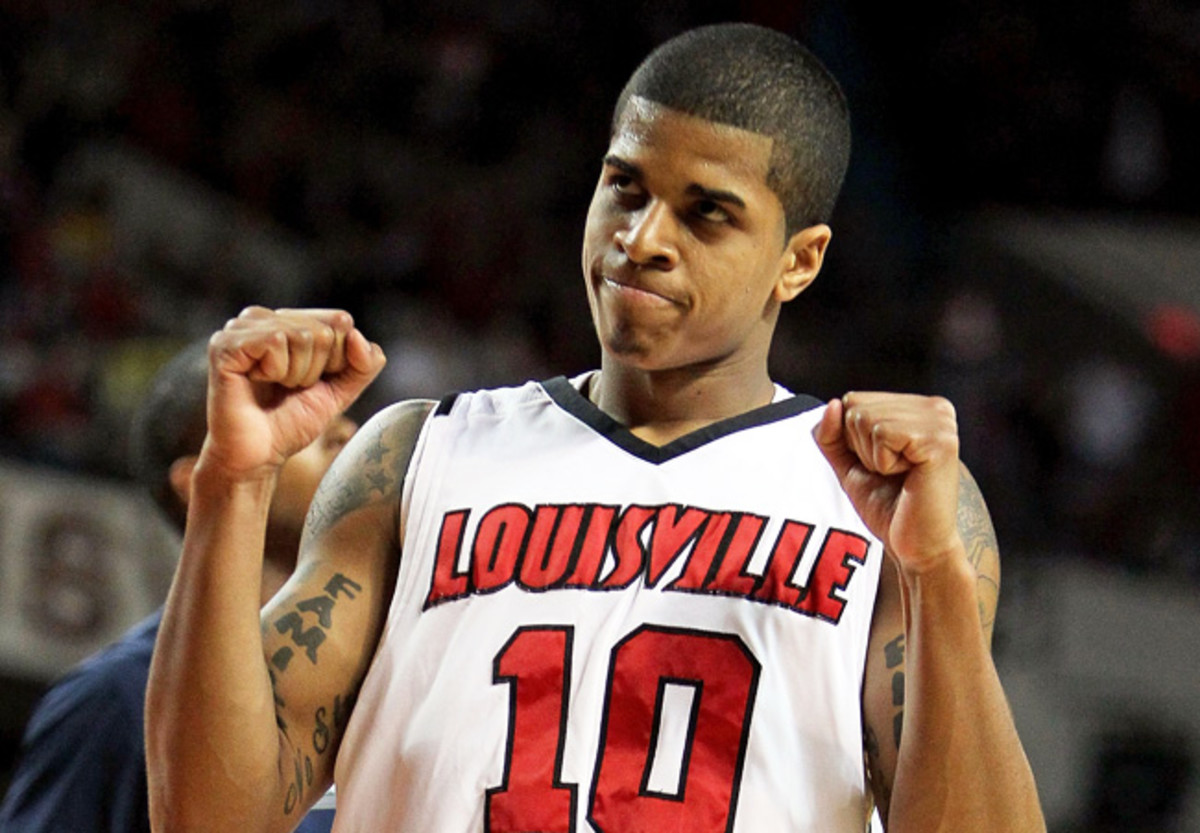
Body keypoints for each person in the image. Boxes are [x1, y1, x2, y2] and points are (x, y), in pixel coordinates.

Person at [146, 23, 1045, 832]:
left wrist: (938, 584)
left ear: (799, 261)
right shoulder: (417, 457)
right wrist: (234, 486)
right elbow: (204, 818)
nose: (643, 237)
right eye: (625, 186)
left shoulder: (883, 502)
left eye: (707, 212)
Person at [0, 339, 355, 833]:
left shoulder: (393, 672)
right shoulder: (114, 698)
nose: (345, 434)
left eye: (340, 416)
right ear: (202, 484)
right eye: (292, 415)